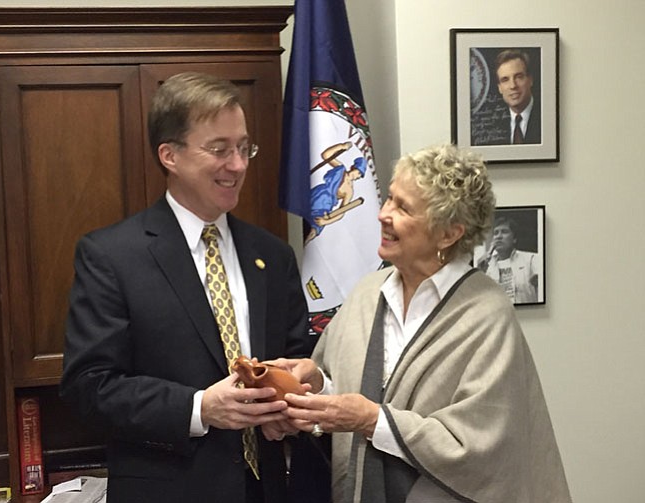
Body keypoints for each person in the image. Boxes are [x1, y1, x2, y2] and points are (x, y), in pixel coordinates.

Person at [60, 72, 313, 503]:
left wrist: (296, 396)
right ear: (169, 156)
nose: (237, 164)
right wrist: (198, 409)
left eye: (243, 147)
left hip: (269, 488)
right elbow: (90, 386)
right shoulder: (111, 256)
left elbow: (297, 356)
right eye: (219, 149)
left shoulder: (272, 254)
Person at [272, 144, 572, 502]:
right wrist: (316, 385)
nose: (383, 214)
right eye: (389, 200)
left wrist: (371, 420)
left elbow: (481, 445)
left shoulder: (485, 314)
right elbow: (348, 393)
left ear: (448, 234)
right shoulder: (368, 293)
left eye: (403, 208)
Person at [478, 216, 541, 304]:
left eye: (504, 232)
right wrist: (479, 271)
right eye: (496, 233)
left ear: (514, 239)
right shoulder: (486, 265)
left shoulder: (531, 259)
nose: (498, 236)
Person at [494, 49, 541, 144]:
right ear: (499, 88)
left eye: (519, 77)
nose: (513, 86)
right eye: (505, 80)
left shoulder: (545, 117)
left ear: (530, 80)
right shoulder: (494, 125)